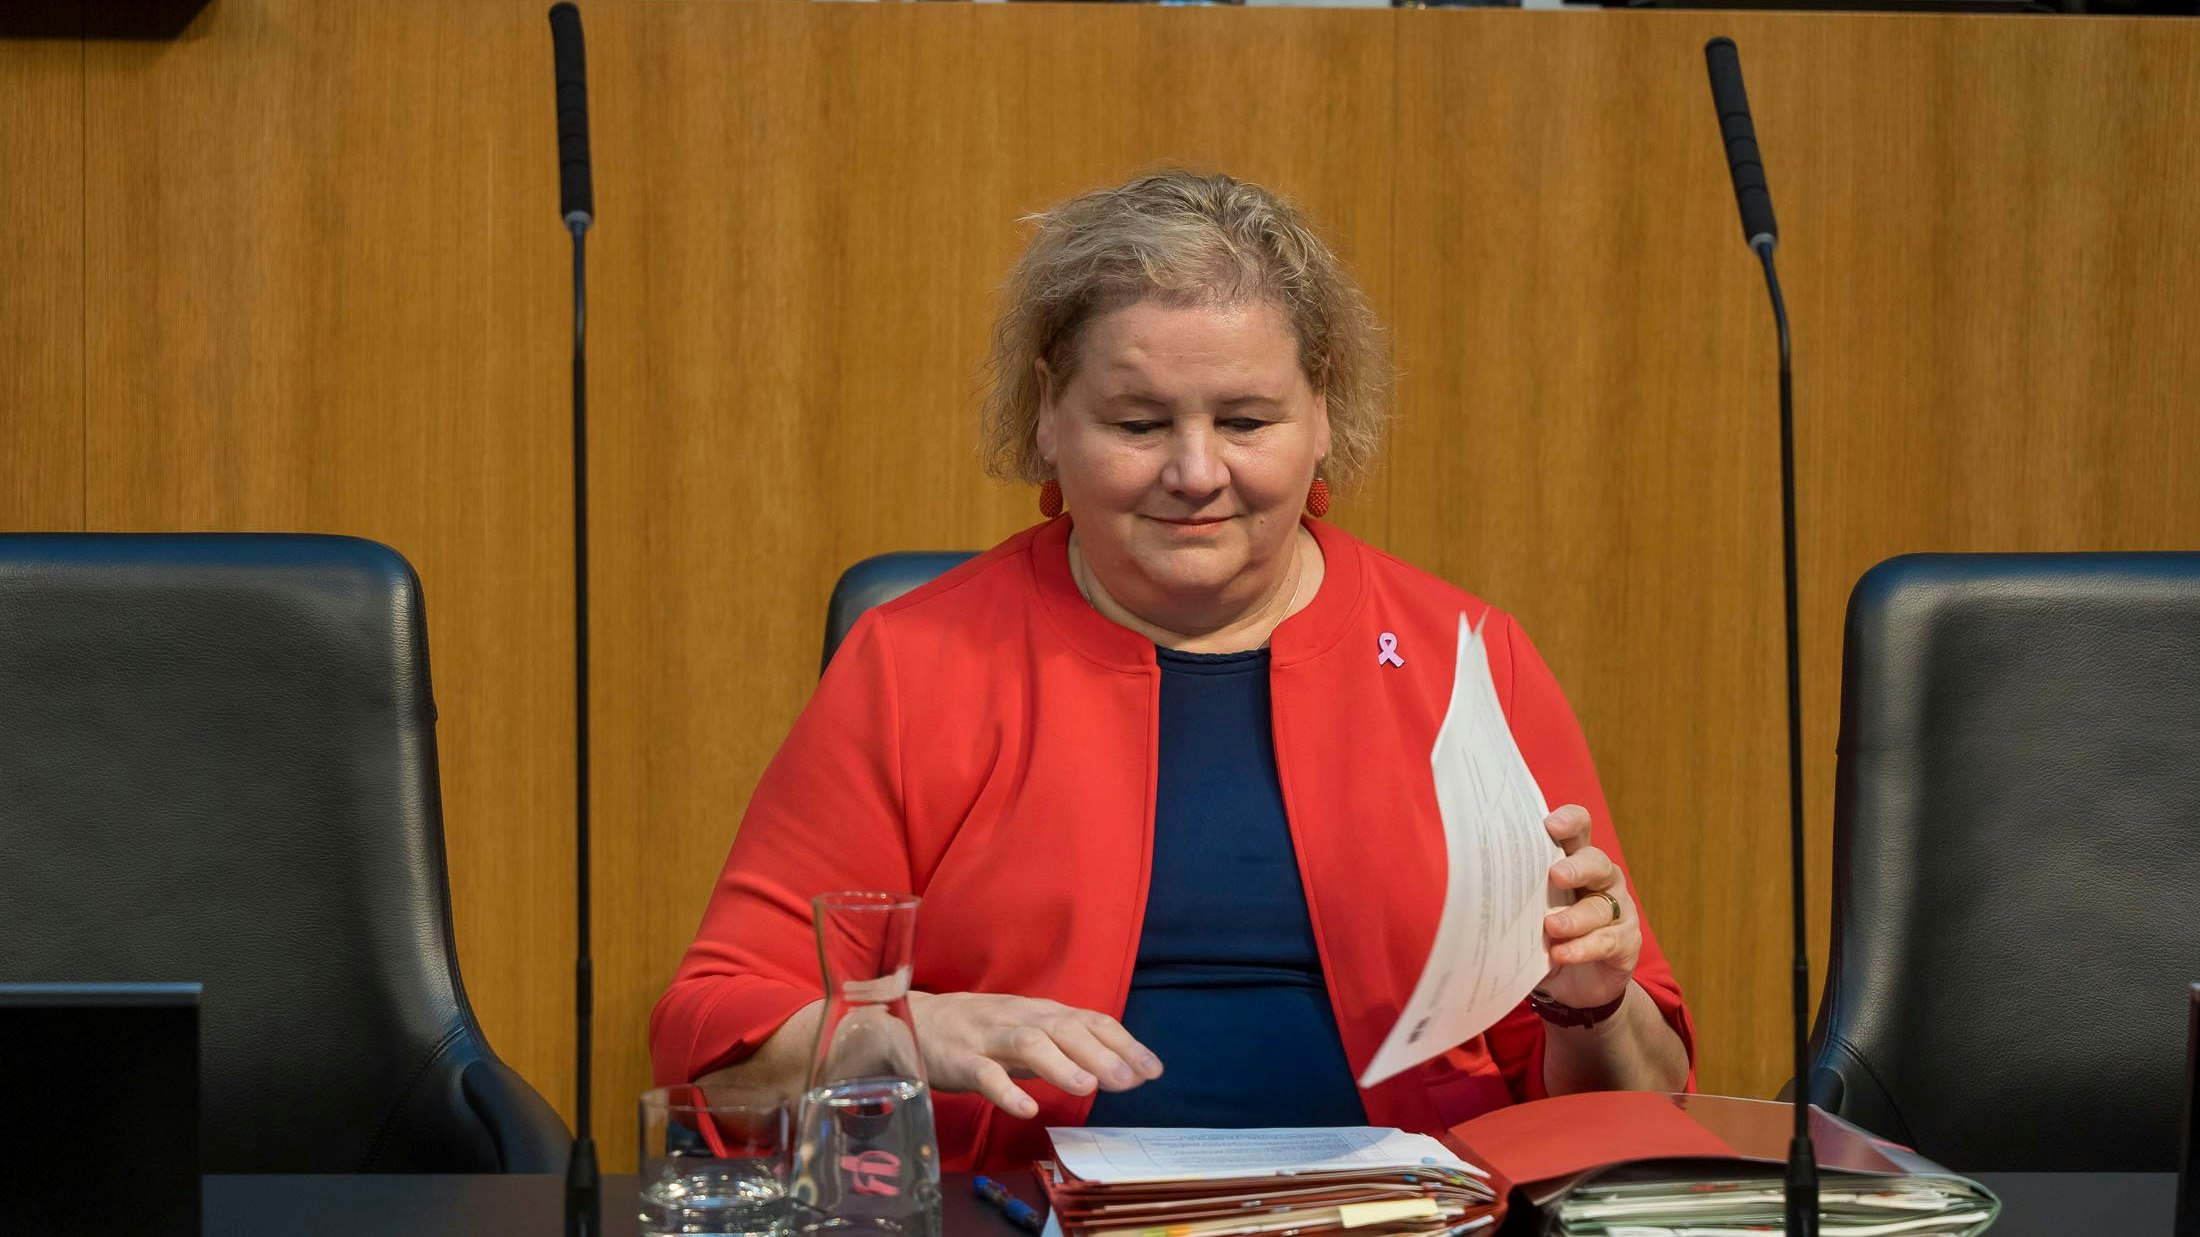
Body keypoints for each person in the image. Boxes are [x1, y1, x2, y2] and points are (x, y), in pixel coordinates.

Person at [650, 170, 1694, 1171]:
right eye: (1138, 424)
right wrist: (898, 1030)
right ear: (1052, 417)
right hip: (1025, 1207)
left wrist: (1592, 999)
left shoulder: (1465, 658)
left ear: (1321, 414)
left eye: (1245, 421)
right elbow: (714, 1042)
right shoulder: (915, 662)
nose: (1196, 475)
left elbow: (1644, 1102)